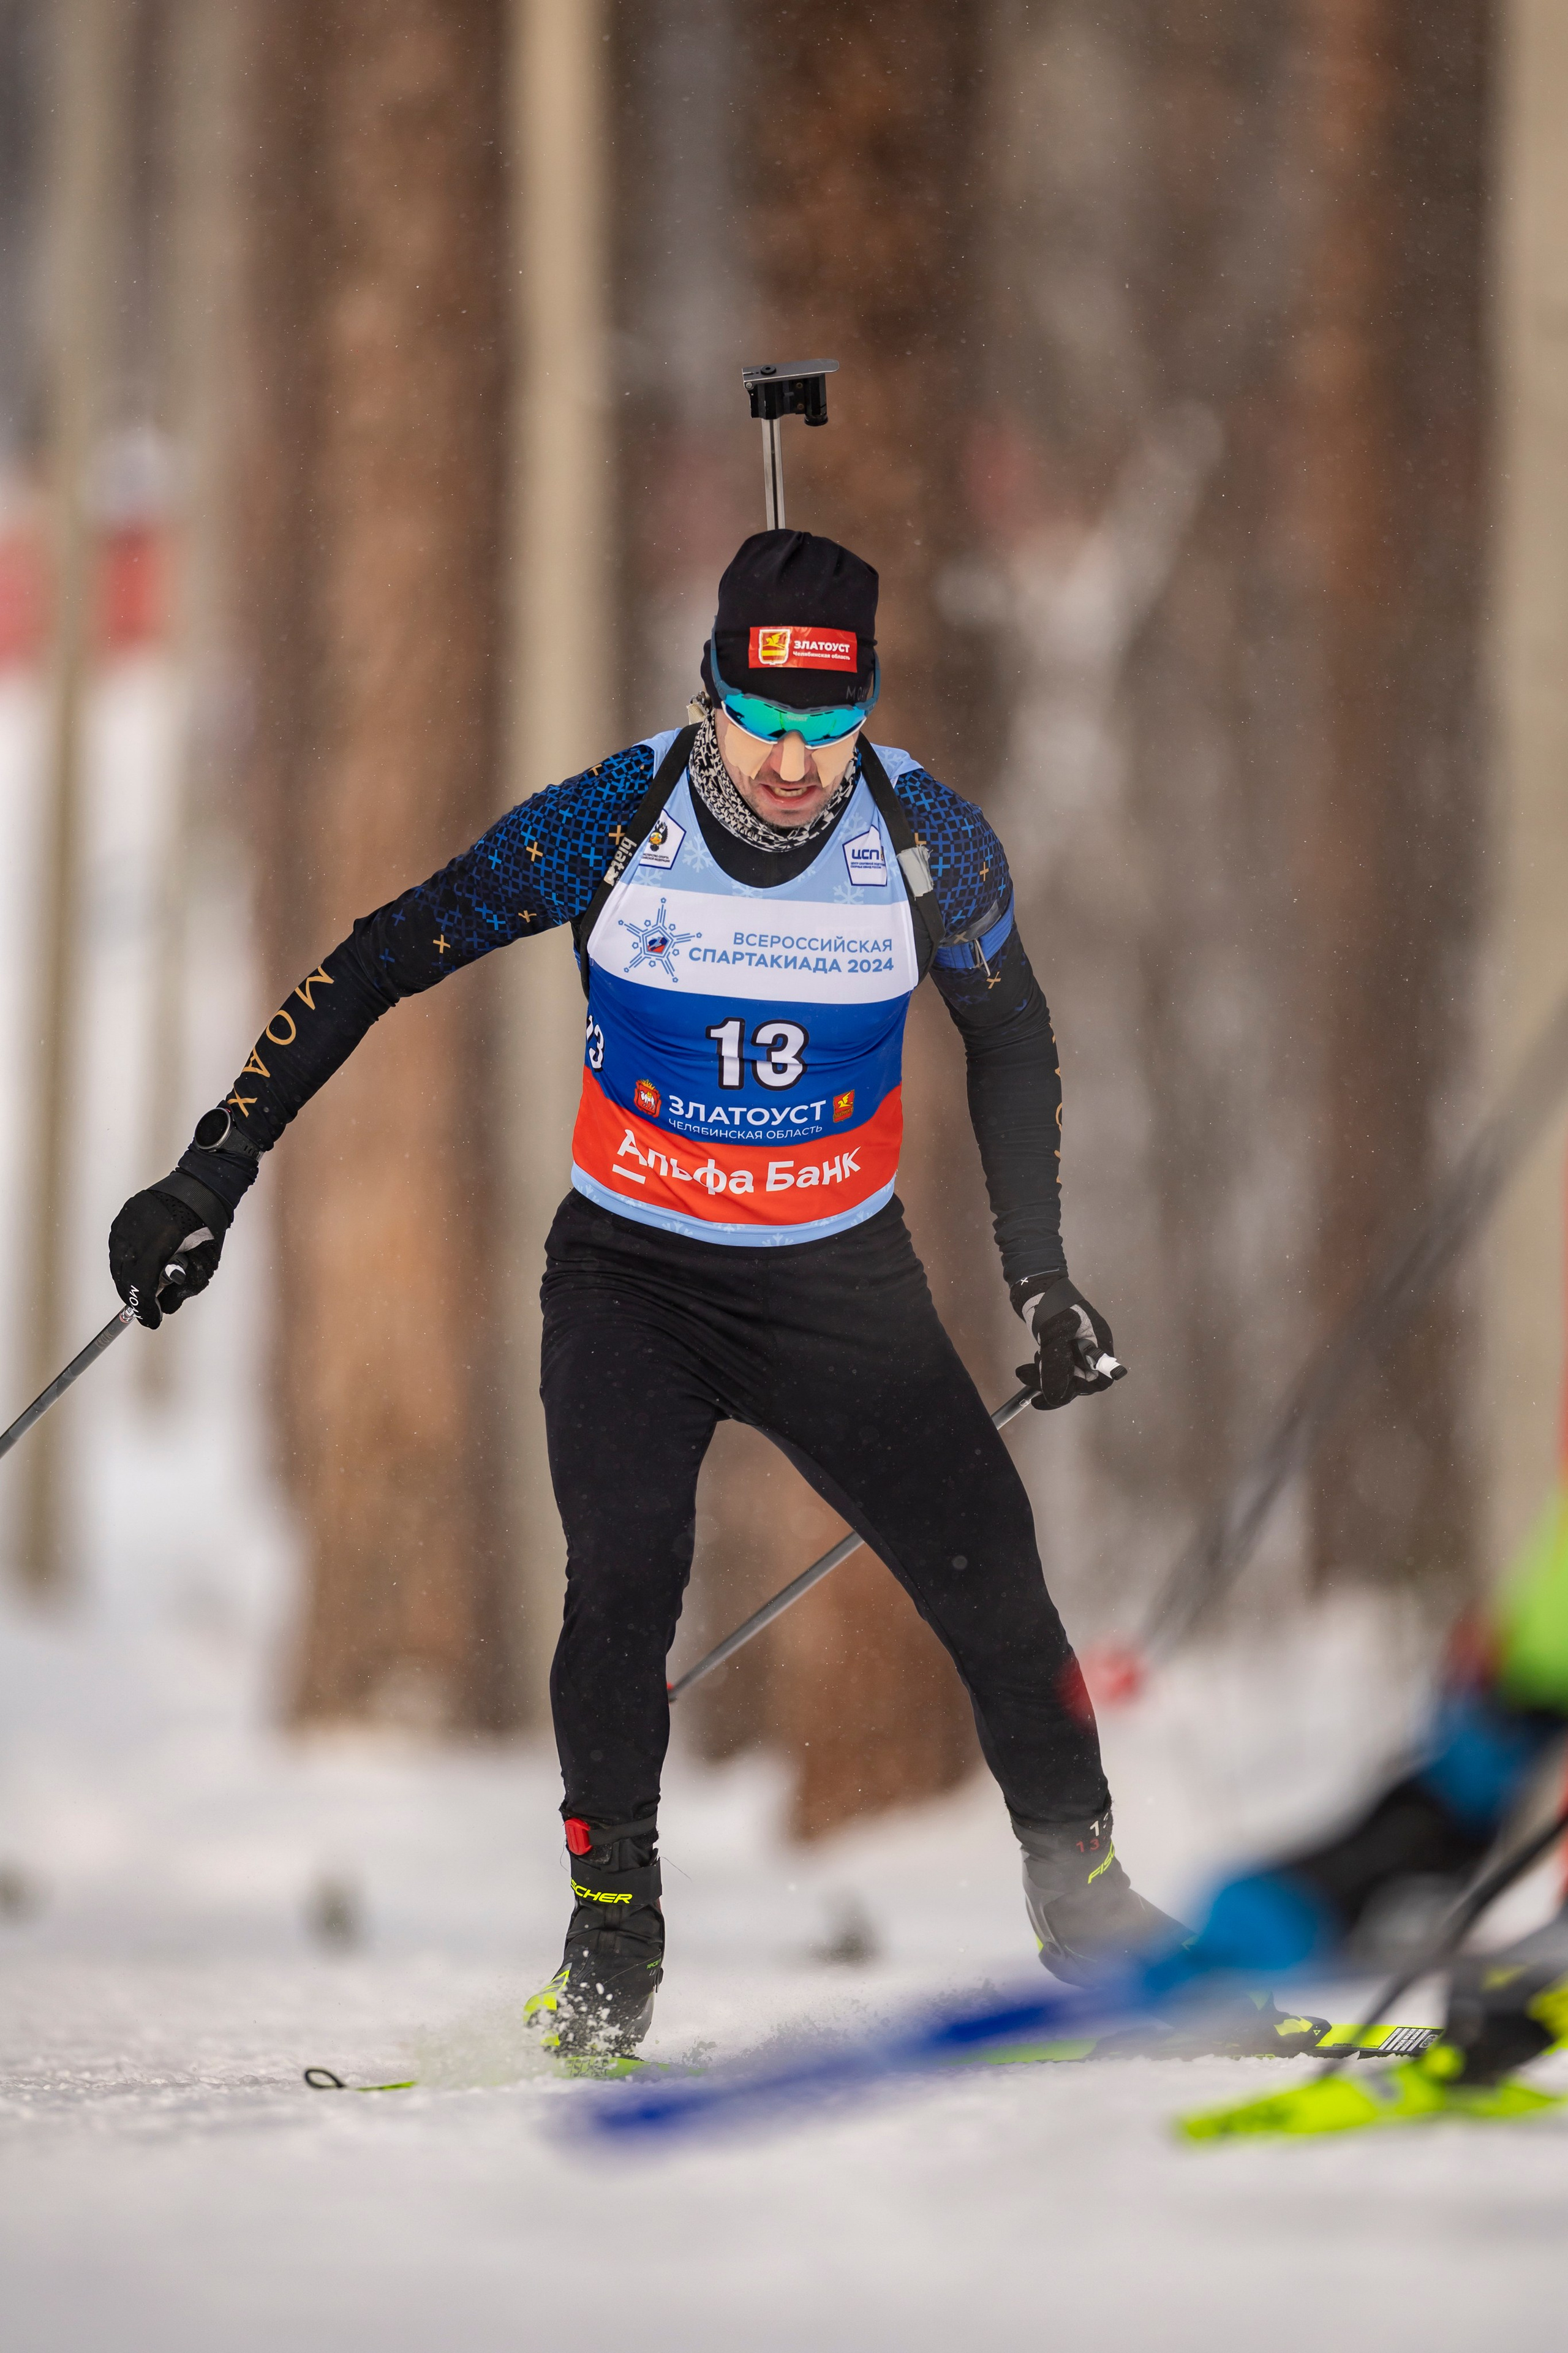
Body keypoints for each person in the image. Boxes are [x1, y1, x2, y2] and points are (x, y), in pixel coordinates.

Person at [110, 529, 1186, 2057]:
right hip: (637, 1280)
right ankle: (613, 1935)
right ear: (710, 696)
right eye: (767, 724)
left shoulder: (927, 839)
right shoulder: (616, 821)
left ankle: (1081, 1899)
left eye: (833, 727)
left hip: (840, 1287)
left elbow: (1013, 1041)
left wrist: (1042, 1281)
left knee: (997, 1581)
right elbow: (382, 954)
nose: (800, 766)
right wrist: (215, 1165)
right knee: (621, 1577)